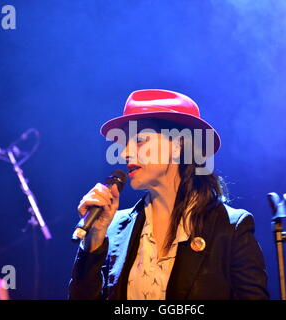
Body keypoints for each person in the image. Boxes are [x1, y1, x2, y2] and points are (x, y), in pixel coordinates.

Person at [68, 89, 269, 300]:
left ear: (178, 145)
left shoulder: (230, 228)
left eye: (139, 140)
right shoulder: (115, 228)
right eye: (124, 143)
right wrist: (94, 241)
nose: (125, 152)